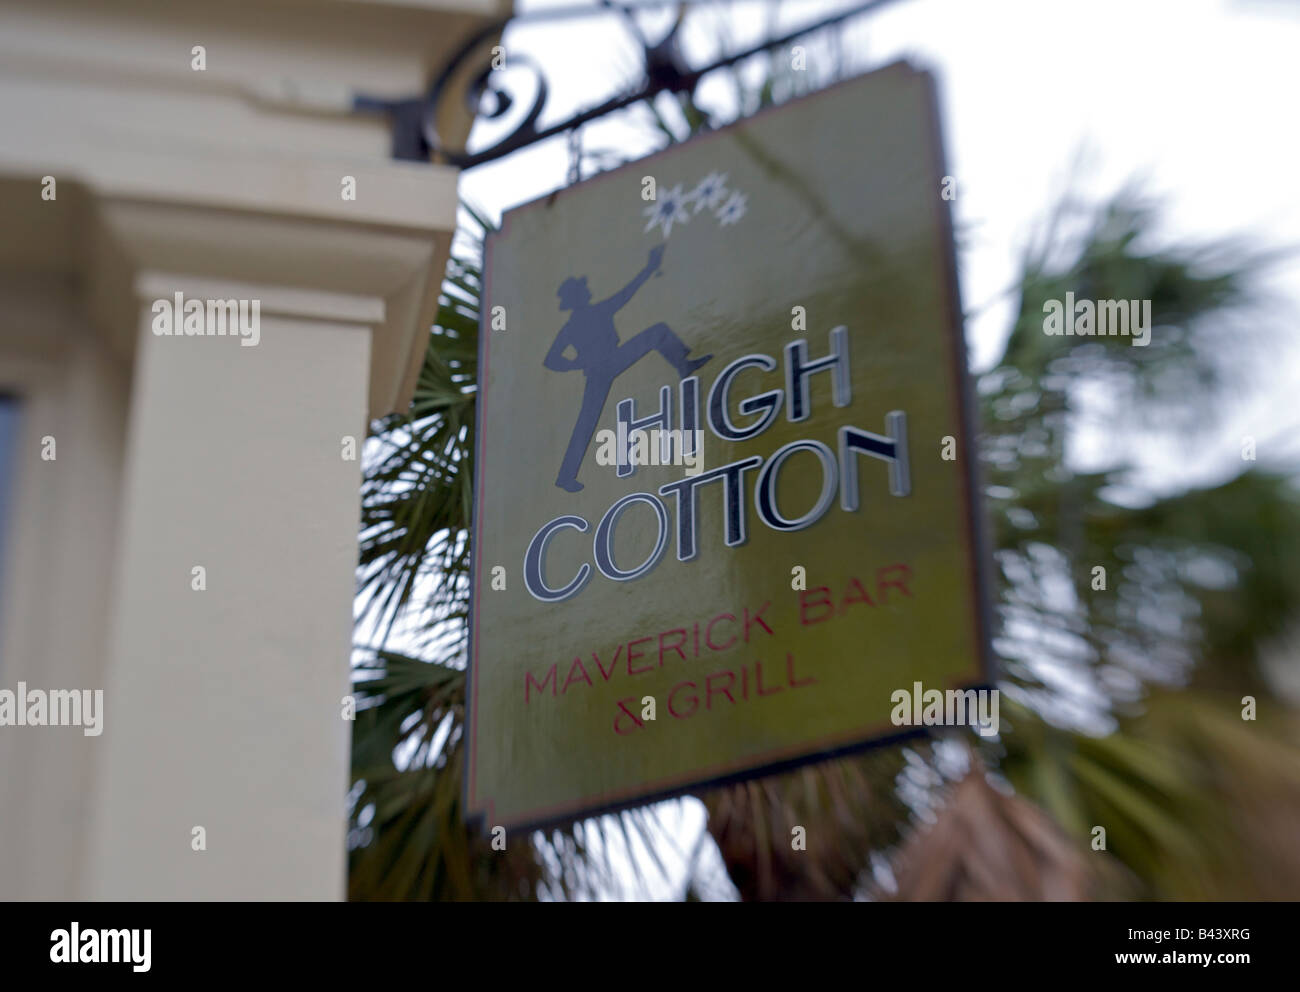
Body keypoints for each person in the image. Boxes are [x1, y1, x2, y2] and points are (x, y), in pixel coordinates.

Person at [544, 244, 711, 492]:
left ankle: (684, 365)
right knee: (586, 422)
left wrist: (649, 268)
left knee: (658, 332)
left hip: (613, 358)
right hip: (599, 369)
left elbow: (627, 293)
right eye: (582, 290)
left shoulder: (598, 311)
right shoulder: (574, 325)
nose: (588, 290)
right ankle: (565, 477)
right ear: (577, 298)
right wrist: (577, 363)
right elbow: (550, 359)